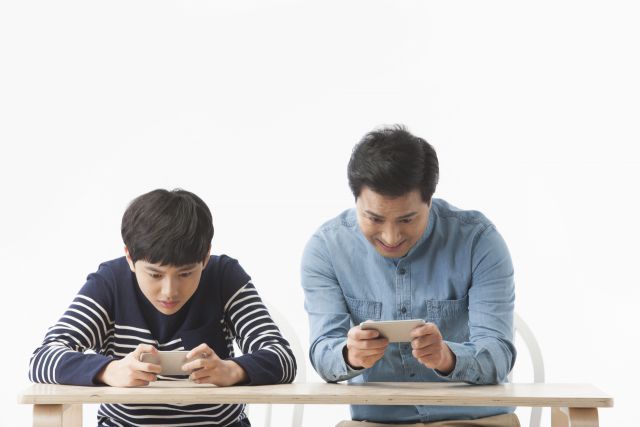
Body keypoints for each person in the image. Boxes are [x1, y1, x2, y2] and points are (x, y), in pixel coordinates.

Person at [301, 126, 518, 427]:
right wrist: (350, 355)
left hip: (473, 421)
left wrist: (447, 357)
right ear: (356, 200)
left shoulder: (478, 241)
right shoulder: (327, 248)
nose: (391, 236)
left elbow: (499, 354)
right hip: (378, 424)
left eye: (407, 219)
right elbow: (323, 351)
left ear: (429, 200)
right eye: (374, 218)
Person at [29, 189, 297, 427]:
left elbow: (282, 357)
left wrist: (232, 370)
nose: (170, 291)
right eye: (155, 275)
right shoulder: (110, 283)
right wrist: (109, 371)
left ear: (205, 258)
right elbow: (43, 358)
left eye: (185, 273)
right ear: (130, 258)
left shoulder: (223, 276)